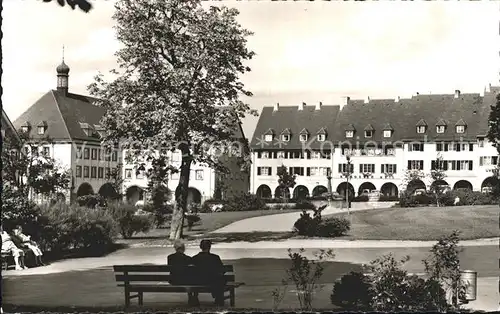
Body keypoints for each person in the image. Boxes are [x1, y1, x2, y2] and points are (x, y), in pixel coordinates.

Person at [192, 239, 226, 306]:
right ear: (210, 247)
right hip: (212, 281)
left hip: (198, 281)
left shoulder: (194, 258)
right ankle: (218, 298)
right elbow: (222, 270)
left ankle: (194, 297)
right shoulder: (215, 258)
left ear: (200, 247)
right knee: (220, 279)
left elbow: (190, 271)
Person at [167, 240, 197, 305]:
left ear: (175, 248)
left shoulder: (170, 257)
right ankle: (192, 296)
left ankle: (192, 296)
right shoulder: (188, 258)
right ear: (184, 248)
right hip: (186, 280)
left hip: (174, 280)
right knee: (193, 278)